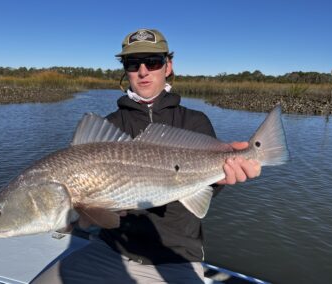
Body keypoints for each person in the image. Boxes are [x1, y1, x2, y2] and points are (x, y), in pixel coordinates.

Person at [32, 28, 261, 284]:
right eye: (133, 63)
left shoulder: (195, 122)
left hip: (175, 257)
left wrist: (221, 178)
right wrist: (75, 215)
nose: (143, 71)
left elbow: (205, 190)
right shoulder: (108, 127)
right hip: (110, 251)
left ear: (168, 66)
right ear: (125, 69)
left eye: (153, 62)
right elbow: (86, 210)